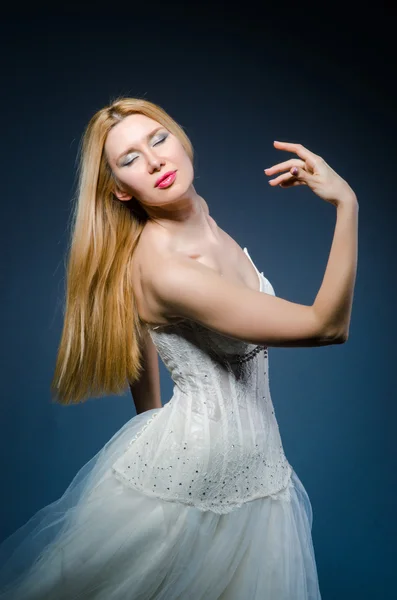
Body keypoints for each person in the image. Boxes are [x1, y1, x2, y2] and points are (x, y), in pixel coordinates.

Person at [0, 97, 358, 599]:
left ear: (181, 141)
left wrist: (153, 423)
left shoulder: (198, 221)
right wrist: (347, 204)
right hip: (201, 487)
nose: (154, 161)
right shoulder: (166, 266)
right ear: (121, 191)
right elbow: (326, 326)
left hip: (258, 473)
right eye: (129, 161)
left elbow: (143, 333)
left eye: (158, 139)